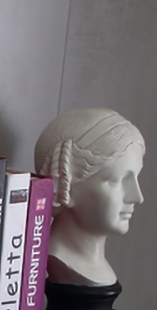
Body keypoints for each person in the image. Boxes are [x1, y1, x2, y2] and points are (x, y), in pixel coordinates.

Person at [34, 108, 145, 286]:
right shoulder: (58, 260)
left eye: (135, 178)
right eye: (117, 180)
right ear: (66, 183)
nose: (137, 197)